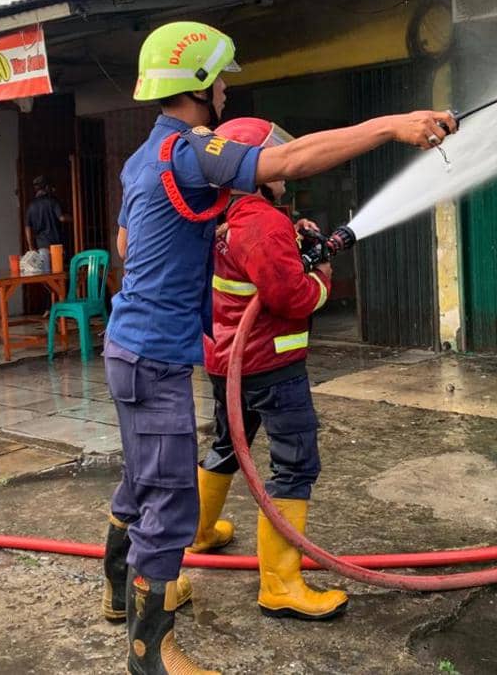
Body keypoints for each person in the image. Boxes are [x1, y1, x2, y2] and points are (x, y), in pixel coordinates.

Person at [103, 19, 456, 675]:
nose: (230, 89)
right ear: (201, 85)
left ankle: (115, 596)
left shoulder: (143, 158)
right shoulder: (188, 151)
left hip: (131, 348)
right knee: (168, 499)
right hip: (152, 358)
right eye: (223, 78)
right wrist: (391, 127)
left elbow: (126, 246)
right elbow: (289, 160)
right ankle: (151, 655)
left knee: (141, 483)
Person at [194, 116, 347, 621]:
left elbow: (258, 264)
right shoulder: (263, 224)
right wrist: (322, 273)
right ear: (249, 168)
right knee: (295, 464)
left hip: (225, 363)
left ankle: (200, 533)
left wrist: (293, 234)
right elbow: (291, 297)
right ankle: (280, 583)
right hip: (271, 366)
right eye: (268, 157)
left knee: (225, 445)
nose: (280, 165)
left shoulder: (221, 216)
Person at [24, 175, 66, 252]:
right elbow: (62, 218)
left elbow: (27, 227)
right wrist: (75, 218)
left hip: (42, 245)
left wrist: (31, 246)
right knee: (58, 264)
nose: (53, 189)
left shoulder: (31, 206)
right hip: (57, 244)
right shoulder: (53, 201)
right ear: (47, 187)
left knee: (45, 263)